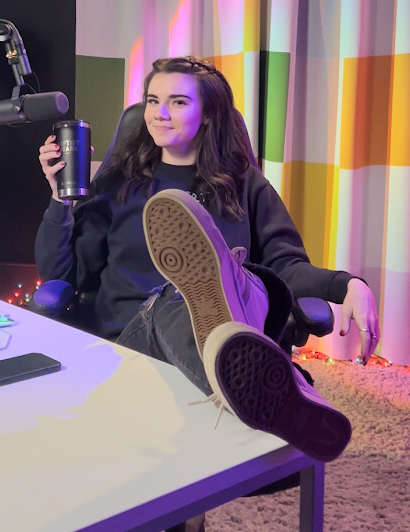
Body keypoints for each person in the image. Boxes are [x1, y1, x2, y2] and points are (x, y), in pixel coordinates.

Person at [35, 56, 380, 464]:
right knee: (175, 298)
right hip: (133, 344)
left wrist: (348, 285)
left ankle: (255, 388)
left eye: (178, 102)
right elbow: (60, 274)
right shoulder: (119, 183)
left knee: (231, 289)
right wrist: (59, 199)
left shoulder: (245, 186)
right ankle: (280, 396)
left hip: (219, 339)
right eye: (152, 101)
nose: (159, 114)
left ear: (209, 115)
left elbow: (286, 266)